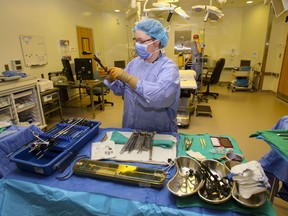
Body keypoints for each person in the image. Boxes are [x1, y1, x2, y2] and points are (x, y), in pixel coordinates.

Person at [103, 18, 180, 133]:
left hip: (158, 132)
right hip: (131, 126)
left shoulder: (169, 68)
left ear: (156, 41)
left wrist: (128, 78)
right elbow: (122, 90)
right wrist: (111, 77)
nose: (137, 45)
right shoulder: (134, 63)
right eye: (136, 40)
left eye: (141, 41)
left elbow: (160, 97)